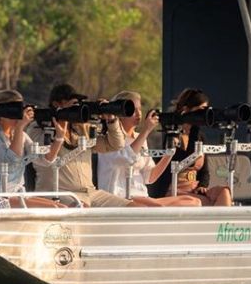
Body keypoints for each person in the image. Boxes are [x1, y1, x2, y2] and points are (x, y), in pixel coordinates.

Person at [28, 83, 164, 207]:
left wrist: (111, 120)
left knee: (134, 209)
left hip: (90, 192)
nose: (75, 108)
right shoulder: (40, 127)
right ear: (57, 104)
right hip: (59, 193)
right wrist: (59, 134)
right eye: (71, 103)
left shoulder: (81, 128)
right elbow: (45, 159)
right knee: (84, 209)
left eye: (78, 104)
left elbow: (115, 145)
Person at [97, 90, 201, 206]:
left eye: (140, 109)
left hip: (141, 195)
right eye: (133, 110)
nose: (138, 113)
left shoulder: (139, 138)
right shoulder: (108, 139)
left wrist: (169, 154)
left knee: (193, 202)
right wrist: (146, 130)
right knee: (159, 207)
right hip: (121, 197)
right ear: (120, 113)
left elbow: (150, 177)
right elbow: (126, 158)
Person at [0, 89, 67, 208]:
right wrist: (20, 127)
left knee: (62, 208)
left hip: (16, 194)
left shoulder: (20, 135)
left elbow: (45, 160)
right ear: (1, 112)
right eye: (14, 110)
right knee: (54, 208)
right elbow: (10, 158)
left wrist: (59, 137)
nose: (19, 115)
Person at [154, 88, 233, 206]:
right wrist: (195, 126)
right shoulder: (173, 134)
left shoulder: (200, 136)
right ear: (186, 110)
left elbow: (205, 172)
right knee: (203, 202)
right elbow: (189, 160)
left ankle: (223, 224)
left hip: (194, 188)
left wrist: (202, 186)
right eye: (200, 111)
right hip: (176, 189)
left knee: (224, 192)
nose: (203, 115)